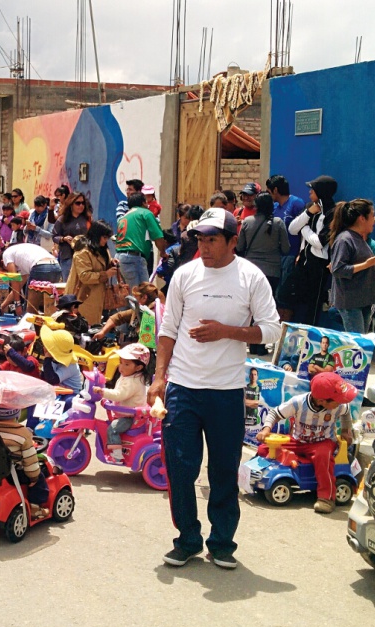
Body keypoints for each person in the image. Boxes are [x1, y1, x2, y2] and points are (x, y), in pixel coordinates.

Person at [148, 206, 281, 569]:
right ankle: (187, 539)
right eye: (200, 239)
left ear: (233, 241)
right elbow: (168, 328)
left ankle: (221, 543)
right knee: (180, 467)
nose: (204, 247)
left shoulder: (250, 278)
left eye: (212, 240)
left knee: (223, 471)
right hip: (183, 388)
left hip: (226, 391)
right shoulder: (185, 275)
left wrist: (227, 331)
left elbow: (272, 329)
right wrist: (159, 377)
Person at [255, 372, 356, 514]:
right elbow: (275, 413)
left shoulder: (339, 406)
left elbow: (346, 414)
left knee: (323, 457)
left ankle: (326, 498)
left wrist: (346, 430)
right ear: (322, 400)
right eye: (337, 399)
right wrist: (266, 429)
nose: (341, 402)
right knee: (264, 449)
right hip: (298, 441)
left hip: (323, 442)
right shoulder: (298, 403)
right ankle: (256, 478)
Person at [236, 192, 289, 353]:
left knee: (249, 306)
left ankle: (250, 343)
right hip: (272, 271)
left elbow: (239, 247)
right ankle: (260, 345)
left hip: (250, 270)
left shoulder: (247, 222)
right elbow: (286, 248)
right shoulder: (278, 223)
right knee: (265, 306)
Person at [281, 175, 337, 326]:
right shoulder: (310, 208)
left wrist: (304, 229)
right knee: (286, 296)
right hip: (302, 263)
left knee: (313, 305)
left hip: (318, 266)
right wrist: (308, 213)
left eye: (313, 190)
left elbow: (319, 242)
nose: (310, 193)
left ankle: (308, 339)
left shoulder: (333, 212)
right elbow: (292, 229)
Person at [328, 198, 375, 334]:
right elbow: (338, 269)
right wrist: (367, 264)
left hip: (363, 300)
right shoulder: (345, 239)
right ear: (362, 218)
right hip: (351, 302)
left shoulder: (358, 238)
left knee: (361, 342)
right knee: (356, 344)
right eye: (372, 215)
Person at [0, 401, 49, 519]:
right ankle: (34, 508)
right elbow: (30, 461)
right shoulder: (23, 434)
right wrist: (34, 477)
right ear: (17, 413)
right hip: (11, 474)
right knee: (40, 476)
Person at [101, 343, 152, 461]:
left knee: (113, 429)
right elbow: (118, 390)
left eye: (127, 364)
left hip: (131, 417)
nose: (121, 367)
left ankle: (118, 455)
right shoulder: (129, 376)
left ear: (138, 367)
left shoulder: (133, 382)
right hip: (125, 413)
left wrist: (103, 392)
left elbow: (119, 395)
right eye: (121, 362)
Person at [64, 220, 118, 326]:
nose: (106, 241)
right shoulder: (83, 252)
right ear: (97, 236)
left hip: (96, 297)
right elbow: (84, 276)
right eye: (104, 238)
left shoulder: (102, 249)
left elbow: (102, 264)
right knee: (81, 328)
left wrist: (112, 263)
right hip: (82, 297)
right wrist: (106, 274)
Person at [115, 192, 167, 287]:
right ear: (143, 203)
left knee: (130, 295)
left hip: (119, 258)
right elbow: (158, 237)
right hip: (134, 259)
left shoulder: (124, 217)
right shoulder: (145, 213)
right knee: (142, 294)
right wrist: (163, 252)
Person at [0, 242, 62, 315]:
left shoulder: (6, 255)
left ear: (3, 262)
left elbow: (14, 279)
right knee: (47, 306)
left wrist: (17, 304)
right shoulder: (22, 257)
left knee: (29, 311)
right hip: (56, 267)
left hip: (41, 266)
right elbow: (17, 287)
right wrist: (3, 305)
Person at [266, 174, 307, 283]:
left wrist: (300, 253)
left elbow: (304, 229)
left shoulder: (296, 203)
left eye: (269, 191)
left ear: (275, 190)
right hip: (276, 256)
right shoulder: (274, 207)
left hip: (291, 254)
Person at [93, 282, 160, 345]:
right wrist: (103, 332)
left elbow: (145, 344)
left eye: (137, 297)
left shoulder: (151, 315)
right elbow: (117, 317)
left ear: (144, 298)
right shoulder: (139, 309)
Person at [51, 192, 91, 279]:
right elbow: (54, 236)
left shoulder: (87, 219)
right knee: (68, 283)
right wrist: (63, 239)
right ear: (71, 204)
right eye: (78, 203)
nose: (81, 205)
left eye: (83, 203)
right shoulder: (62, 219)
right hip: (67, 257)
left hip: (84, 257)